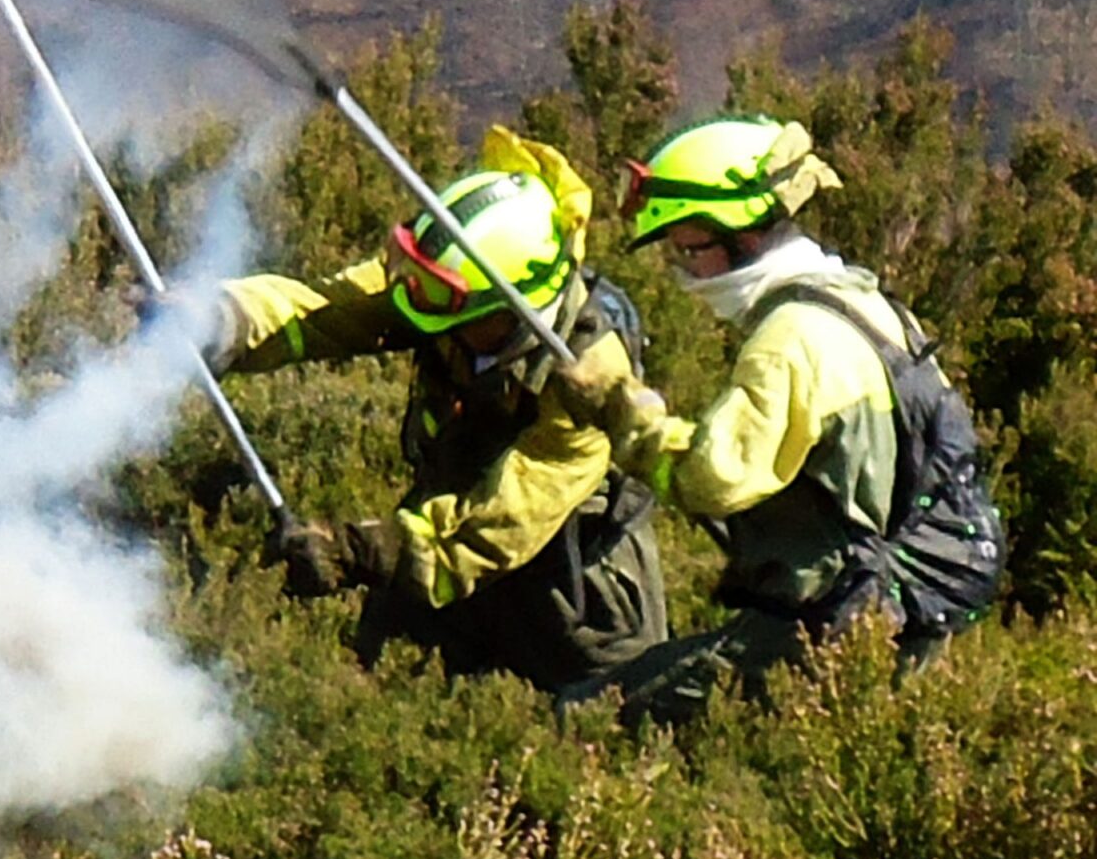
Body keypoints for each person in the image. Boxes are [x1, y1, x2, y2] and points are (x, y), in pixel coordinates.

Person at [556, 115, 1004, 725]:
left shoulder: (790, 339)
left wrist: (623, 413)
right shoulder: (860, 300)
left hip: (841, 624)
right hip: (903, 611)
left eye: (688, 248)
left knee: (586, 714)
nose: (682, 271)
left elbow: (712, 480)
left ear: (737, 235)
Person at [194, 126, 667, 693]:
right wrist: (224, 318)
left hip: (572, 599)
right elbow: (323, 309)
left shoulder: (591, 380)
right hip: (437, 546)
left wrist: (354, 552)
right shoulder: (443, 297)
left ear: (511, 305)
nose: (411, 305)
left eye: (434, 295)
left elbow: (498, 525)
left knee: (596, 736)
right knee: (372, 702)